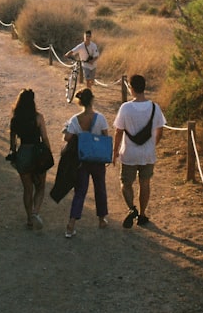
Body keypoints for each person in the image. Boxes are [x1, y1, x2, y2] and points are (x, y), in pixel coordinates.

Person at [113, 74, 167, 228]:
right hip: (148, 153)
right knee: (145, 183)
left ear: (131, 88)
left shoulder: (126, 108)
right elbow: (160, 131)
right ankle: (142, 214)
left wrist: (115, 152)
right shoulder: (155, 107)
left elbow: (119, 131)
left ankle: (132, 209)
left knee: (126, 183)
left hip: (129, 153)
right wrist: (152, 145)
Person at [61, 88, 109, 238]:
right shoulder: (100, 118)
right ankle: (102, 219)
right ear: (92, 100)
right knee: (100, 188)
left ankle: (71, 223)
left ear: (79, 102)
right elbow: (105, 137)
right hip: (97, 160)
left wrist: (67, 131)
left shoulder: (75, 119)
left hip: (82, 159)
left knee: (80, 192)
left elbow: (67, 138)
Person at [9, 88, 54, 230]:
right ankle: (35, 212)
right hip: (37, 153)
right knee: (40, 186)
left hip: (23, 153)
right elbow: (45, 137)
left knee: (27, 189)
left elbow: (12, 143)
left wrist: (15, 155)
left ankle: (29, 219)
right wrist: (48, 152)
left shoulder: (15, 120)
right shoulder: (38, 117)